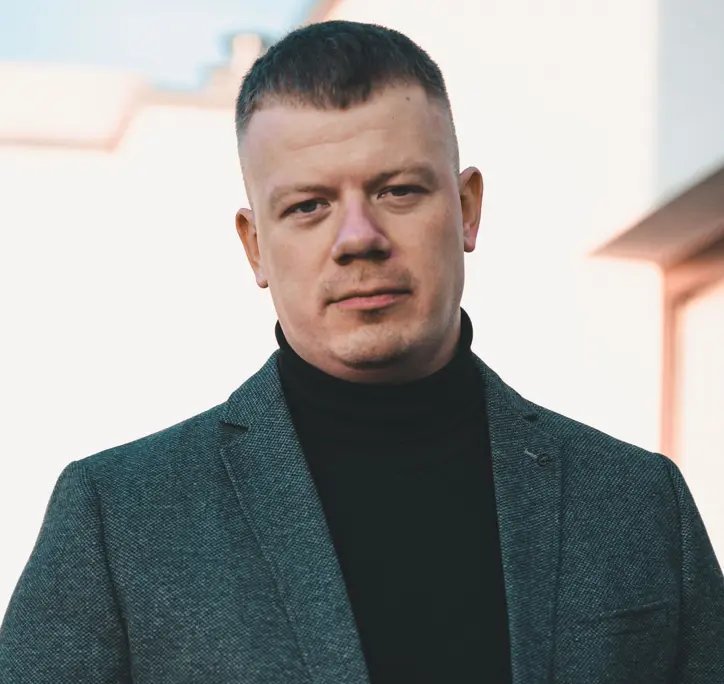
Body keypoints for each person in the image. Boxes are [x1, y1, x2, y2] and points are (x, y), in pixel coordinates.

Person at [1, 19, 722, 684]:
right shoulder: (119, 519)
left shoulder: (639, 504)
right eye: (308, 206)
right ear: (256, 247)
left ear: (467, 210)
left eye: (398, 191)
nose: (358, 239)